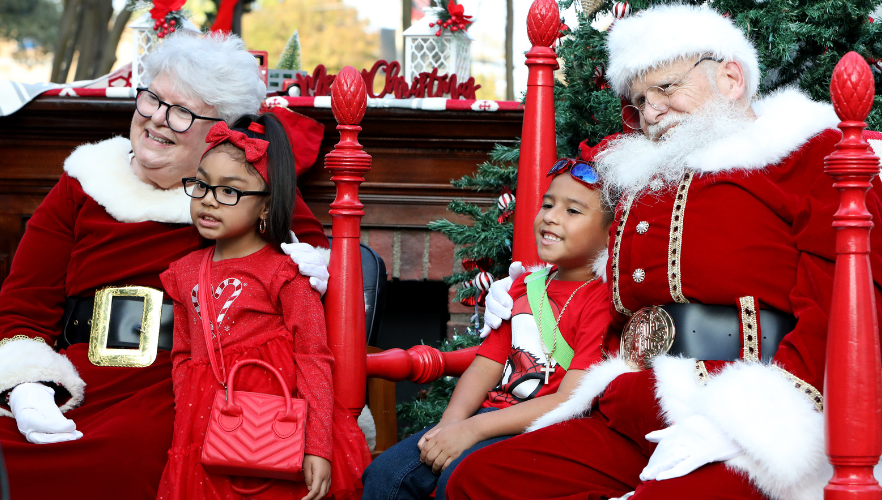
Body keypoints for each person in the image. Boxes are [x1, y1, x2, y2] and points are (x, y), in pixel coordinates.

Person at [447, 4, 882, 500]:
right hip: (633, 404)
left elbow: (847, 308)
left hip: (750, 420)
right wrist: (524, 297)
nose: (650, 113)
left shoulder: (805, 155)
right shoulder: (646, 185)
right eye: (638, 102)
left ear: (730, 77)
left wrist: (741, 424)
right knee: (480, 481)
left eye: (666, 89)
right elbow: (603, 307)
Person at [0, 32, 331, 500]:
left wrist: (312, 265)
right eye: (152, 99)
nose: (156, 118)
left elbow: (311, 257)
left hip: (178, 381)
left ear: (222, 130)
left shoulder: (241, 192)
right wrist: (27, 385)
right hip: (75, 381)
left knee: (132, 458)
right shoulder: (86, 179)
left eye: (181, 112)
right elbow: (23, 303)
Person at [362, 157, 615, 500]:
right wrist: (450, 423)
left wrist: (472, 430)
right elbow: (485, 366)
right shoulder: (524, 285)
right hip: (486, 416)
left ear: (610, 232)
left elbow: (569, 399)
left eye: (573, 211)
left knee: (457, 477)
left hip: (535, 429)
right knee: (385, 475)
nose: (551, 216)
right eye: (548, 204)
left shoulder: (601, 299)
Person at [157, 114, 370, 500]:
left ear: (266, 207)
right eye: (202, 184)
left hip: (276, 426)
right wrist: (188, 411)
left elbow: (313, 359)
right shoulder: (185, 272)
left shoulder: (285, 275)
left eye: (229, 191)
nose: (208, 198)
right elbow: (184, 353)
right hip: (205, 426)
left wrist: (317, 446)